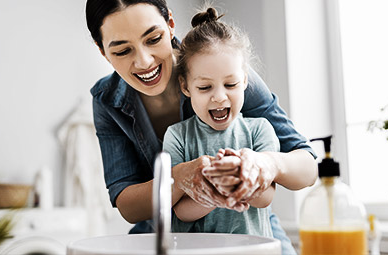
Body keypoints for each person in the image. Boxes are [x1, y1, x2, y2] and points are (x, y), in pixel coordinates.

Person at [85, 0, 317, 254]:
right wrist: (180, 178)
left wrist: (268, 164)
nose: (144, 61)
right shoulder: (106, 100)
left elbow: (306, 166)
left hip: (250, 232)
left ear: (170, 25)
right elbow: (128, 205)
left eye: (153, 39)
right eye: (122, 51)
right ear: (102, 51)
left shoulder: (221, 65)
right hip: (163, 234)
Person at [163, 7, 278, 237]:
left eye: (231, 84)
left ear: (244, 80)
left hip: (251, 252)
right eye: (205, 87)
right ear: (186, 87)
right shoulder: (176, 136)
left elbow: (266, 197)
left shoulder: (259, 130)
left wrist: (237, 182)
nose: (219, 97)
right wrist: (216, 193)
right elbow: (180, 211)